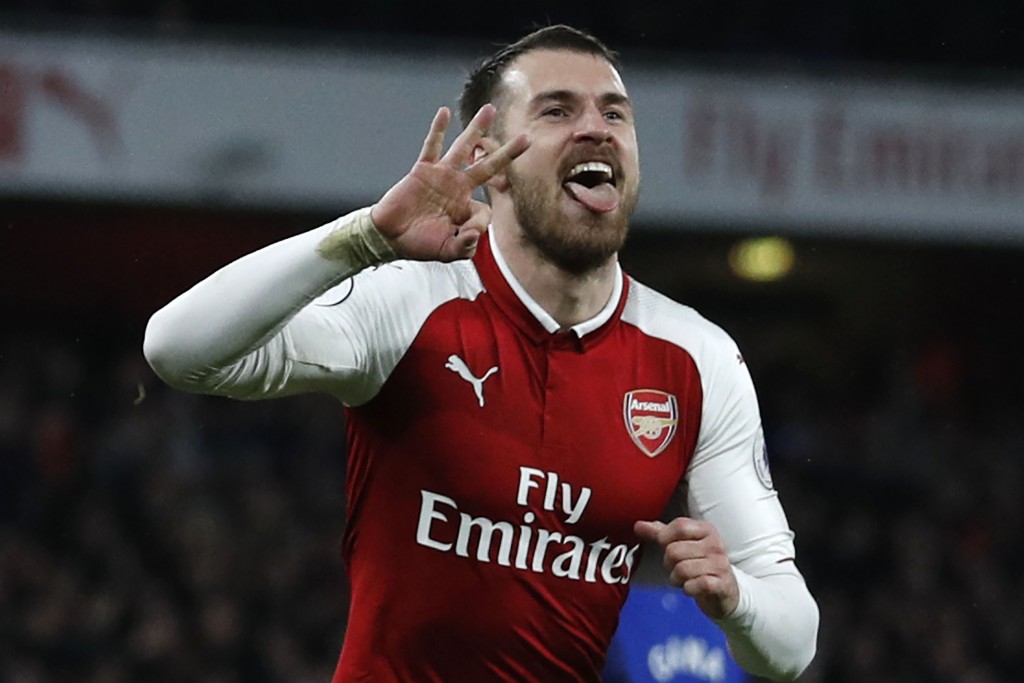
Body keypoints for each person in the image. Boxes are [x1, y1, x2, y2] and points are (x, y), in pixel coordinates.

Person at [144, 24, 819, 682]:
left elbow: (791, 643)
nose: (597, 127)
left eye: (616, 112)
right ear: (490, 164)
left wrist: (736, 599)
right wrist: (367, 237)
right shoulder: (413, 301)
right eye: (557, 110)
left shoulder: (697, 357)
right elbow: (177, 349)